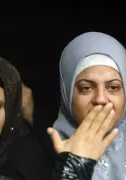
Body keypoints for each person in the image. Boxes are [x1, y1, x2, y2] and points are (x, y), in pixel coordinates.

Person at [48, 32, 126, 180]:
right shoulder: (35, 156)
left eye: (113, 87)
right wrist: (71, 170)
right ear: (67, 94)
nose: (101, 99)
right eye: (86, 88)